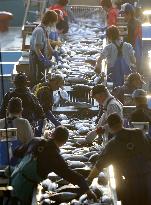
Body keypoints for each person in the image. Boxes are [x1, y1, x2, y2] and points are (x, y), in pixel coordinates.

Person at [11, 126, 97, 205]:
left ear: (52, 134)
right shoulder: (54, 156)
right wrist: (87, 189)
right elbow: (69, 174)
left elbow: (16, 152)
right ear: (64, 142)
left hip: (15, 177)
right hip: (25, 186)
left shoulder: (35, 140)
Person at [87, 113, 151, 205]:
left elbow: (99, 166)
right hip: (148, 179)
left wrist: (88, 180)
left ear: (109, 127)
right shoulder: (139, 133)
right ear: (121, 121)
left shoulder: (112, 144)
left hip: (130, 184)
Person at [29, 10, 58, 86]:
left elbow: (47, 42)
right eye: (54, 21)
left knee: (41, 76)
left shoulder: (46, 29)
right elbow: (36, 48)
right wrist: (42, 59)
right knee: (35, 77)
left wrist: (53, 52)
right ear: (50, 21)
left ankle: (40, 90)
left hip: (41, 54)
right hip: (35, 55)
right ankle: (34, 92)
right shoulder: (39, 30)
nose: (54, 23)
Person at [120, 3, 142, 73]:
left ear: (129, 14)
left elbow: (130, 41)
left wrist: (121, 42)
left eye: (123, 14)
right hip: (138, 50)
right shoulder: (136, 21)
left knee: (133, 71)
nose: (122, 16)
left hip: (134, 50)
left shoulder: (131, 25)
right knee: (137, 69)